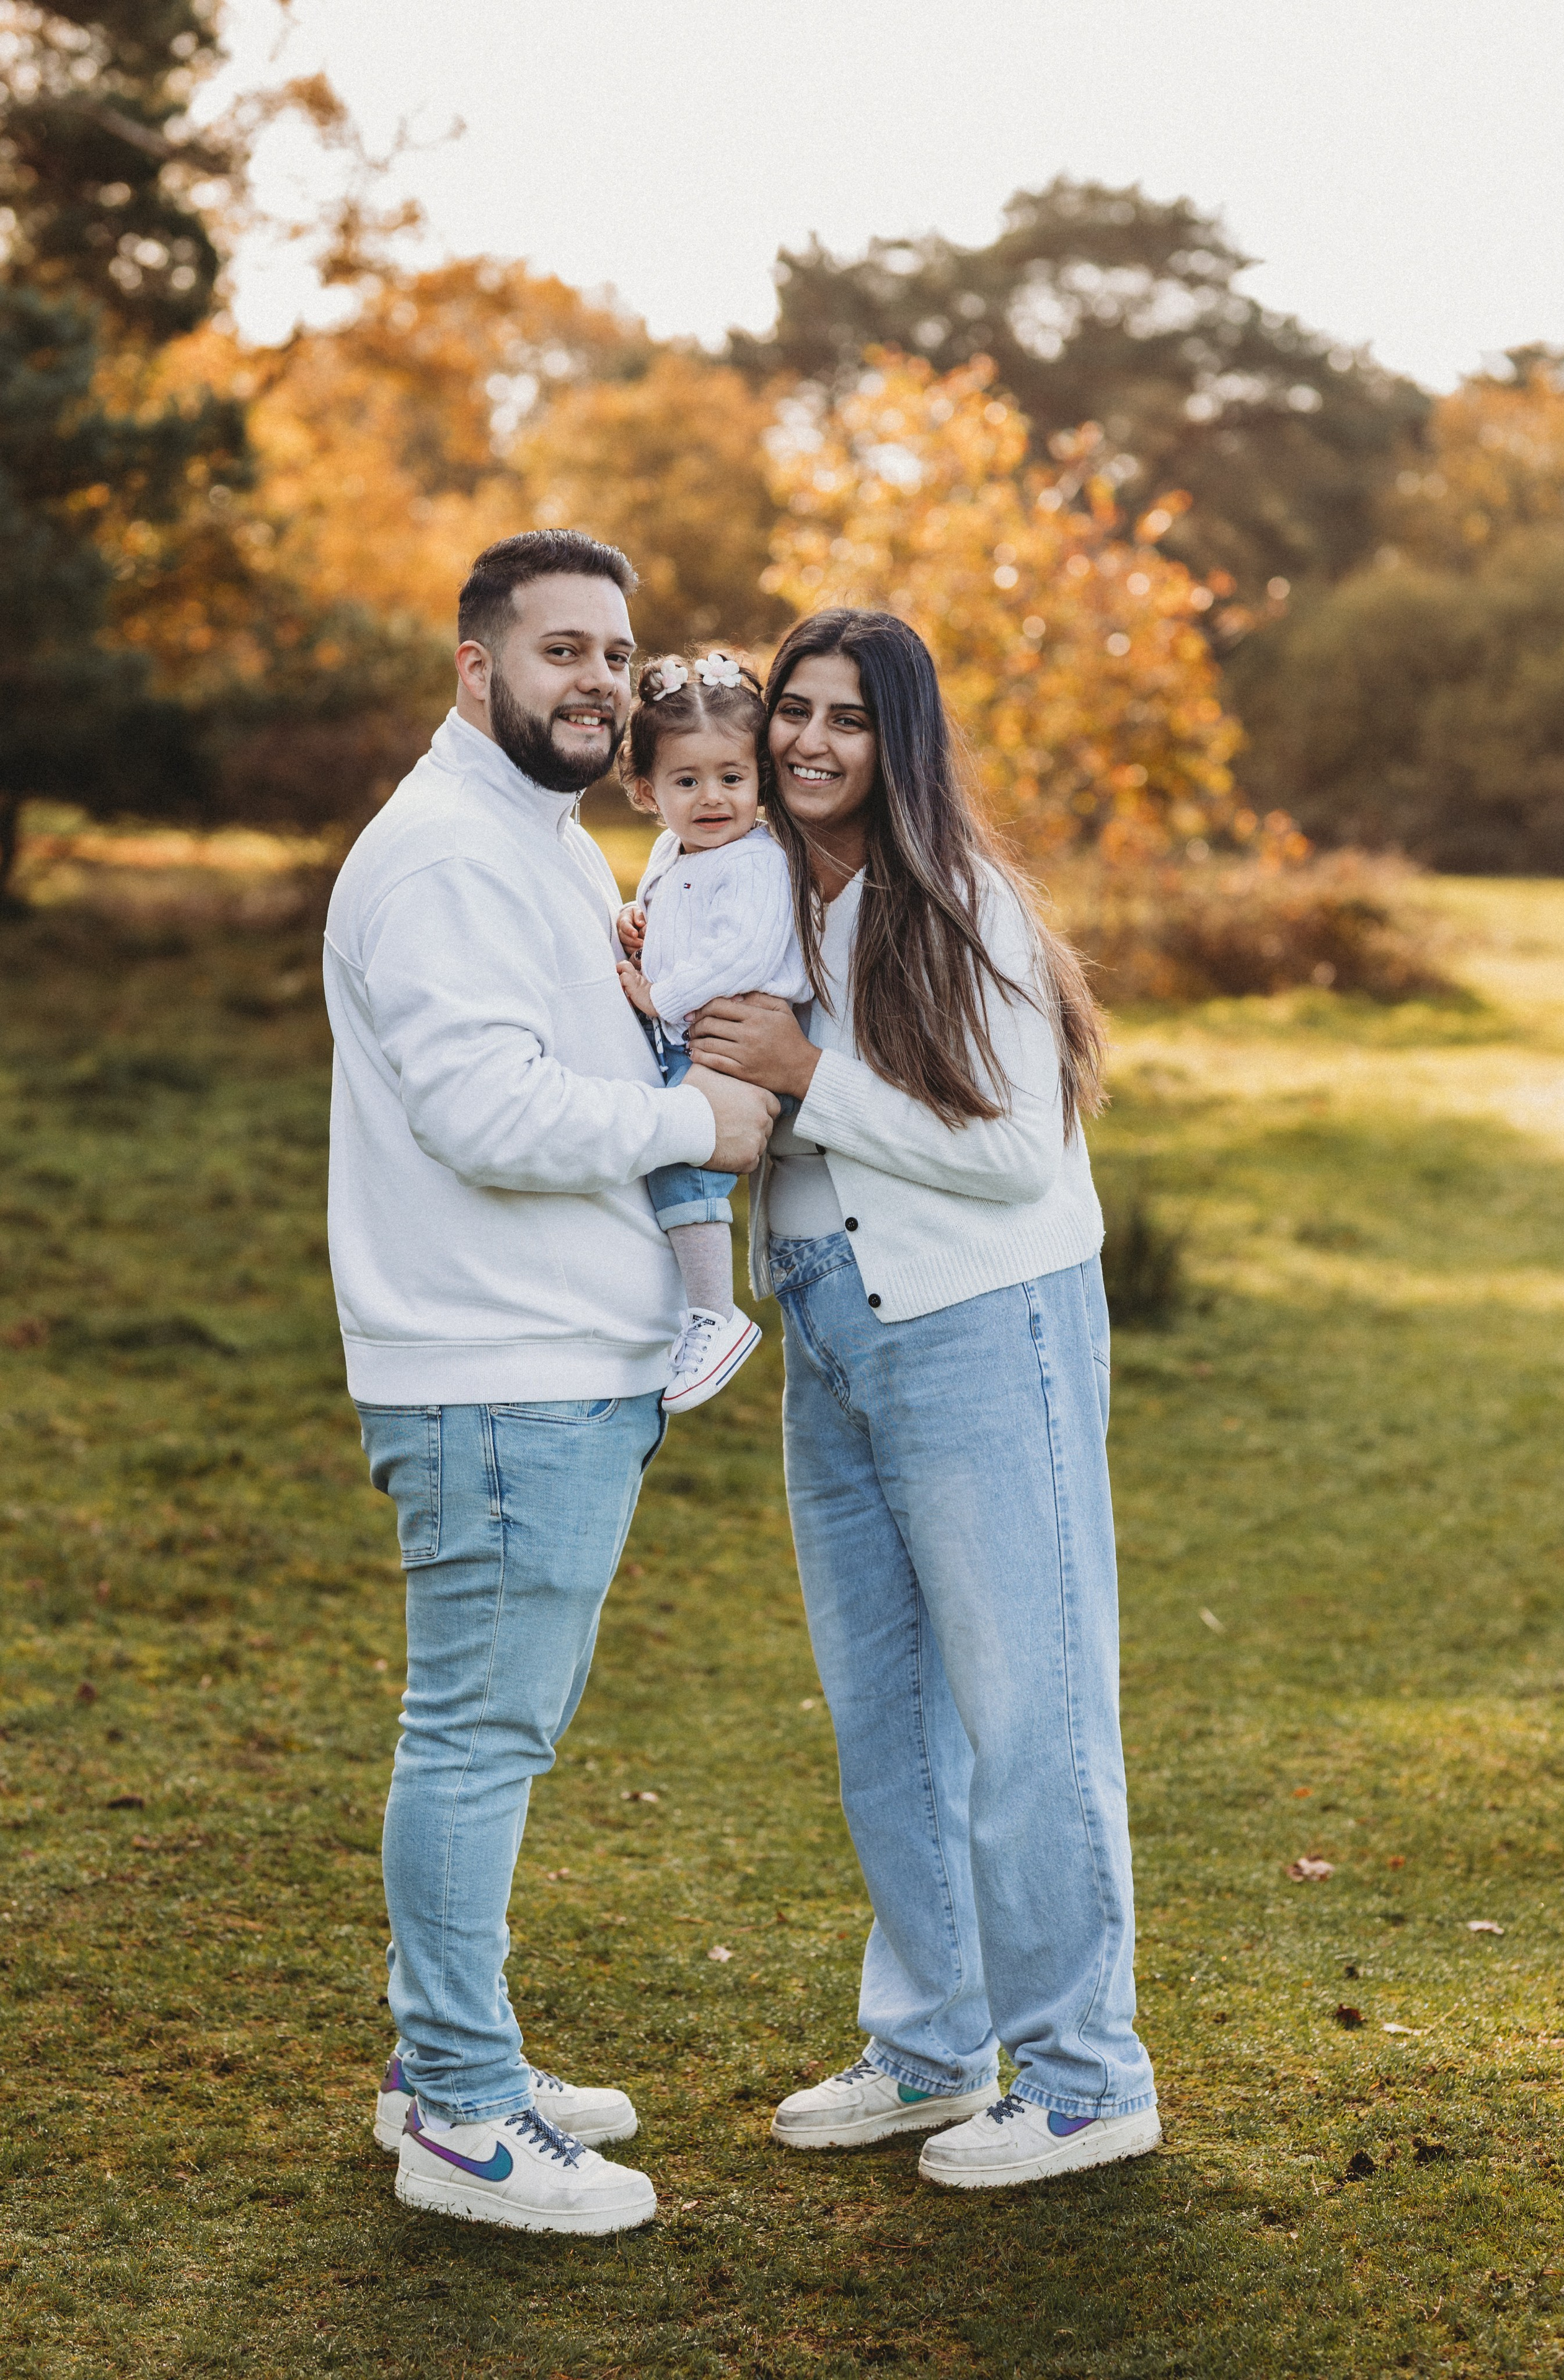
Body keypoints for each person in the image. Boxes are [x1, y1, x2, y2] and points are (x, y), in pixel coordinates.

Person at [321, 529, 777, 2234]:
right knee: (477, 1732)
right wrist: (699, 1126)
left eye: (612, 652)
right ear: (476, 669)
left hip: (551, 1362)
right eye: (558, 651)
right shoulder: (446, 855)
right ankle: (454, 2109)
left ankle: (445, 2051)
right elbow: (484, 1113)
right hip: (496, 1372)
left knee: (496, 1726)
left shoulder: (538, 839)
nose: (595, 680)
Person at [687, 608, 1160, 2192]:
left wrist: (813, 1079)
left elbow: (1011, 1151)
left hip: (978, 1324)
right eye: (791, 714)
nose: (810, 742)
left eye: (848, 718)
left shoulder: (961, 906)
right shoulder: (764, 894)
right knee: (882, 1707)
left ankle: (1086, 2077)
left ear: (904, 740)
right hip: (830, 1325)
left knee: (1027, 1703)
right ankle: (931, 2046)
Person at [612, 649, 811, 1413]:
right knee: (661, 1158)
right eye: (685, 782)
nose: (712, 799)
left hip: (739, 1039)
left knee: (683, 1163)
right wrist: (637, 920)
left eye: (731, 778)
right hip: (695, 1032)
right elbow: (676, 919)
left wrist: (659, 996)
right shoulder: (674, 852)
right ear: (646, 789)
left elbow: (739, 954)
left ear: (759, 779)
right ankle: (685, 1305)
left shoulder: (757, 864)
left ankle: (714, 1313)